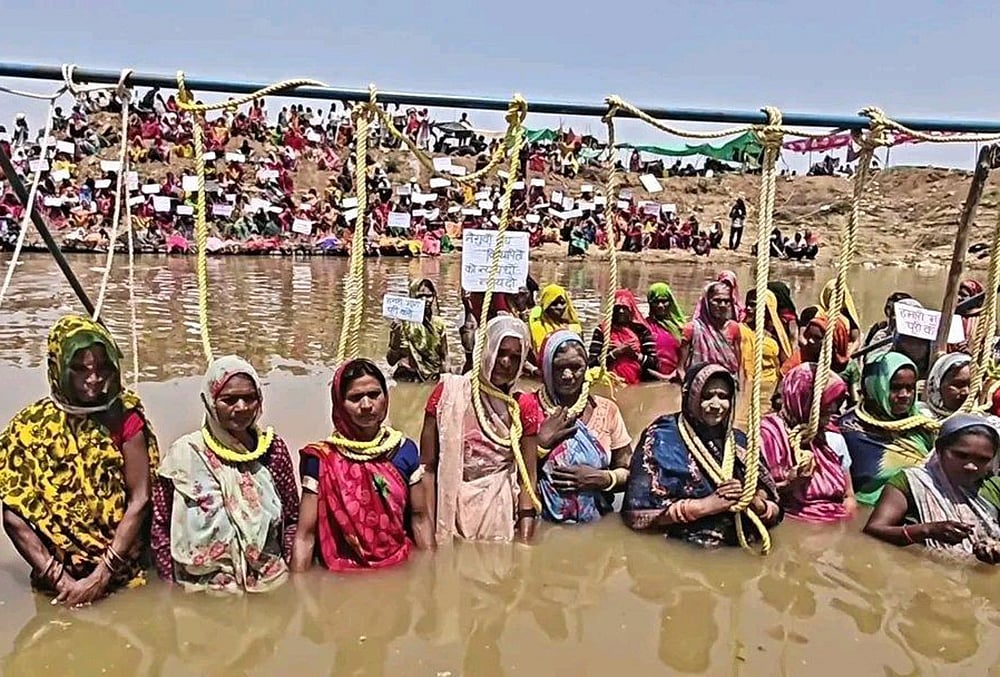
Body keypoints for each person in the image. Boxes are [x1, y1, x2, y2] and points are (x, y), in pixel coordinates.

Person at [0, 316, 159, 606]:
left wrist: (101, 577)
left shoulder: (125, 417)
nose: (94, 379)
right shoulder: (29, 429)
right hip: (58, 585)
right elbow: (13, 514)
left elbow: (141, 499)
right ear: (57, 368)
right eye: (80, 369)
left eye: (101, 368)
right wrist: (62, 582)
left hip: (125, 575)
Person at [416, 316, 574, 546]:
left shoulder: (522, 406)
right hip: (449, 514)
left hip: (499, 516)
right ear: (485, 350)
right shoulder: (448, 394)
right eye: (500, 352)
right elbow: (427, 469)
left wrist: (524, 544)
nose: (506, 362)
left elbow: (526, 479)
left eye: (514, 357)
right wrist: (431, 539)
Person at [152, 356, 297, 592]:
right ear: (210, 401)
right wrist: (170, 590)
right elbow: (160, 528)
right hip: (201, 593)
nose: (241, 408)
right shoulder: (184, 456)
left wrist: (292, 578)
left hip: (269, 585)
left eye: (249, 398)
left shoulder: (272, 450)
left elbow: (292, 520)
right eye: (228, 400)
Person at [621, 363, 782, 547]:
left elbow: (774, 511)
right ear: (690, 396)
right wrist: (707, 505)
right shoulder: (662, 436)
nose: (716, 405)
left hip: (740, 546)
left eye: (723, 397)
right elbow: (637, 515)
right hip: (684, 550)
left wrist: (751, 501)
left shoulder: (739, 441)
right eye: (707, 396)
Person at [294, 358, 426, 569]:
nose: (366, 405)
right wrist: (299, 590)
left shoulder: (404, 450)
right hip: (340, 576)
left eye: (374, 395)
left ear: (386, 396)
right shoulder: (321, 459)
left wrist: (432, 575)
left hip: (397, 568)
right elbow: (305, 536)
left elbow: (420, 519)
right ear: (339, 403)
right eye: (355, 398)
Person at [519, 331, 633, 523]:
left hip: (597, 532)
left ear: (586, 367)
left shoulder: (606, 410)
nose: (567, 375)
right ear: (546, 368)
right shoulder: (528, 408)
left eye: (576, 367)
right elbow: (511, 474)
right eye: (559, 368)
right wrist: (539, 447)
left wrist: (603, 479)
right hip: (542, 527)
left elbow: (630, 472)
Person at [863, 413, 1000, 564]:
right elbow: (874, 529)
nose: (971, 466)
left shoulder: (994, 486)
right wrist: (927, 530)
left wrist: (994, 549)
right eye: (961, 455)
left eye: (983, 459)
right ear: (939, 449)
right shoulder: (911, 482)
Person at [760, 364, 857, 523]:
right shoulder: (767, 436)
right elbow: (757, 500)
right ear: (802, 398)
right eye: (826, 402)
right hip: (793, 524)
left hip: (835, 526)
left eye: (835, 402)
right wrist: (790, 484)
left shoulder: (832, 438)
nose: (833, 408)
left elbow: (849, 495)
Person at [839, 352, 937, 505]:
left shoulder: (925, 425)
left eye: (910, 388)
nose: (905, 395)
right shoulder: (849, 431)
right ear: (874, 387)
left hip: (922, 508)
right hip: (870, 514)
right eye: (895, 388)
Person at [588, 289, 664, 385]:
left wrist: (636, 356)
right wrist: (614, 354)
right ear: (612, 309)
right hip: (607, 384)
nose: (621, 311)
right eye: (617, 307)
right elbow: (591, 364)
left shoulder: (641, 331)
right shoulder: (603, 331)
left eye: (625, 308)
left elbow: (656, 365)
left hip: (637, 385)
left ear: (631, 309)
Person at [386, 278, 449, 382]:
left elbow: (445, 357)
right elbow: (391, 361)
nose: (425, 300)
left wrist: (447, 380)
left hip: (432, 378)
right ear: (412, 297)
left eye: (429, 296)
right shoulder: (402, 323)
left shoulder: (439, 324)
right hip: (407, 379)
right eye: (420, 296)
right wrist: (395, 337)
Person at [677, 281, 742, 380]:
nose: (723, 305)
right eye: (717, 300)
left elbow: (738, 366)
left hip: (726, 385)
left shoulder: (734, 328)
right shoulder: (692, 329)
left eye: (727, 301)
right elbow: (680, 368)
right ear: (706, 302)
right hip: (699, 385)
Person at [528, 284, 583, 355]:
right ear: (546, 305)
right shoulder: (536, 325)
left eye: (562, 303)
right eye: (554, 303)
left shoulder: (574, 328)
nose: (559, 307)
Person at [646, 282, 686, 378]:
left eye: (664, 301)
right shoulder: (644, 326)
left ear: (670, 303)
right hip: (651, 377)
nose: (660, 305)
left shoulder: (681, 327)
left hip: (676, 377)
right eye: (656, 302)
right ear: (650, 303)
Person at [919, 352, 972, 420]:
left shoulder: (984, 420)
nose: (966, 392)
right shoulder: (917, 417)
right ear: (936, 385)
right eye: (957, 385)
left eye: (971, 384)